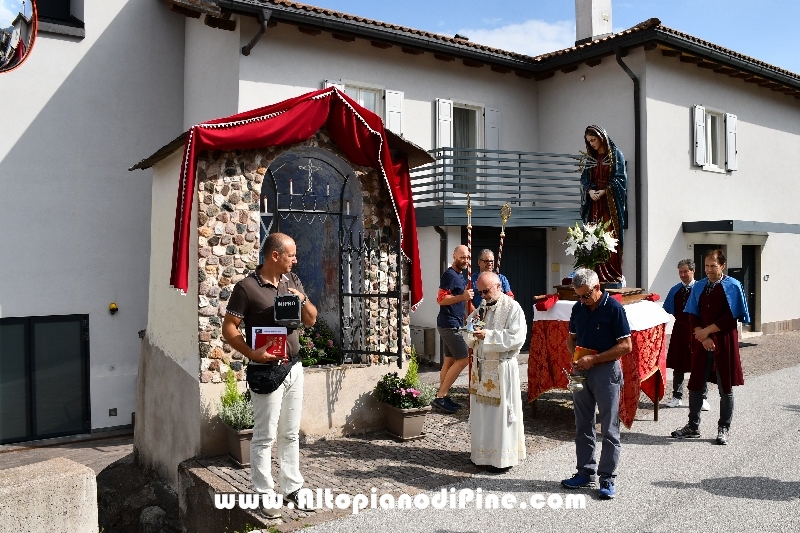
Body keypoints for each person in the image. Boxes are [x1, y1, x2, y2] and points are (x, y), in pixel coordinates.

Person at [222, 233, 318, 518]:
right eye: (291, 255)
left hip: (294, 366)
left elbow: (311, 319)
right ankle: (265, 493)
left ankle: (292, 488)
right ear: (274, 256)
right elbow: (229, 328)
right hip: (265, 370)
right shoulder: (247, 288)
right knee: (264, 436)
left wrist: (301, 299)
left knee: (290, 433)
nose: (295, 260)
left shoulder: (293, 282)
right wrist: (252, 354)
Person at [561, 268, 631, 500]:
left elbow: (626, 346)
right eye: (578, 296)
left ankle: (607, 477)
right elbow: (571, 339)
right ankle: (585, 472)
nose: (582, 300)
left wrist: (595, 359)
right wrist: (576, 357)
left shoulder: (614, 308)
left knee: (609, 428)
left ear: (598, 287)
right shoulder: (578, 309)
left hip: (605, 372)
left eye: (585, 295)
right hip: (582, 371)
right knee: (582, 424)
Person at [670, 249, 750, 445]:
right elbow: (692, 312)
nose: (709, 270)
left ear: (722, 266)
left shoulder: (733, 286)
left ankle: (724, 428)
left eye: (713, 266)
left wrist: (708, 332)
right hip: (702, 342)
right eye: (706, 266)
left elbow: (731, 317)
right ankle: (693, 426)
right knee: (696, 383)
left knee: (725, 387)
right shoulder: (700, 287)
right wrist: (701, 334)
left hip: (724, 342)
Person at [463, 272, 527, 472]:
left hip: (501, 368)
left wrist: (488, 336)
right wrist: (471, 332)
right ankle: (481, 455)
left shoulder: (512, 308)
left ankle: (501, 459)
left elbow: (517, 337)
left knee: (500, 416)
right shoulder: (482, 307)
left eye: (487, 291)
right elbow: (468, 329)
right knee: (482, 414)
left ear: (498, 286)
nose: (483, 295)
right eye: (480, 292)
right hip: (482, 368)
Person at [580, 125, 627, 283]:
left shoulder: (615, 155)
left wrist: (604, 191)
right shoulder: (590, 159)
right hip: (594, 203)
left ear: (602, 138)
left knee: (609, 234)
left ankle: (612, 273)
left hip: (609, 203)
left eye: (594, 140)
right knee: (593, 234)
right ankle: (594, 272)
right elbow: (585, 180)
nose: (592, 143)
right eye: (589, 141)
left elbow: (620, 178)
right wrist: (589, 191)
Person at [663, 259, 711, 411]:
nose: (683, 275)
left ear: (693, 271)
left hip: (698, 330)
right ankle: (677, 396)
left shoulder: (702, 289)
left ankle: (702, 398)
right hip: (680, 329)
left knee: (700, 364)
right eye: (680, 272)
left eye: (685, 271)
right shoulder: (675, 290)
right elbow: (667, 309)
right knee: (678, 363)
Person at [432, 245, 474, 414]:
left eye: (467, 258)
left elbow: (461, 301)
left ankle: (443, 395)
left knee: (449, 360)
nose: (465, 260)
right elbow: (441, 299)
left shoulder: (460, 275)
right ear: (454, 256)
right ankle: (440, 396)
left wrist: (471, 312)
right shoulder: (449, 275)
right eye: (462, 257)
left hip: (454, 322)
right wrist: (462, 297)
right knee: (464, 358)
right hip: (449, 324)